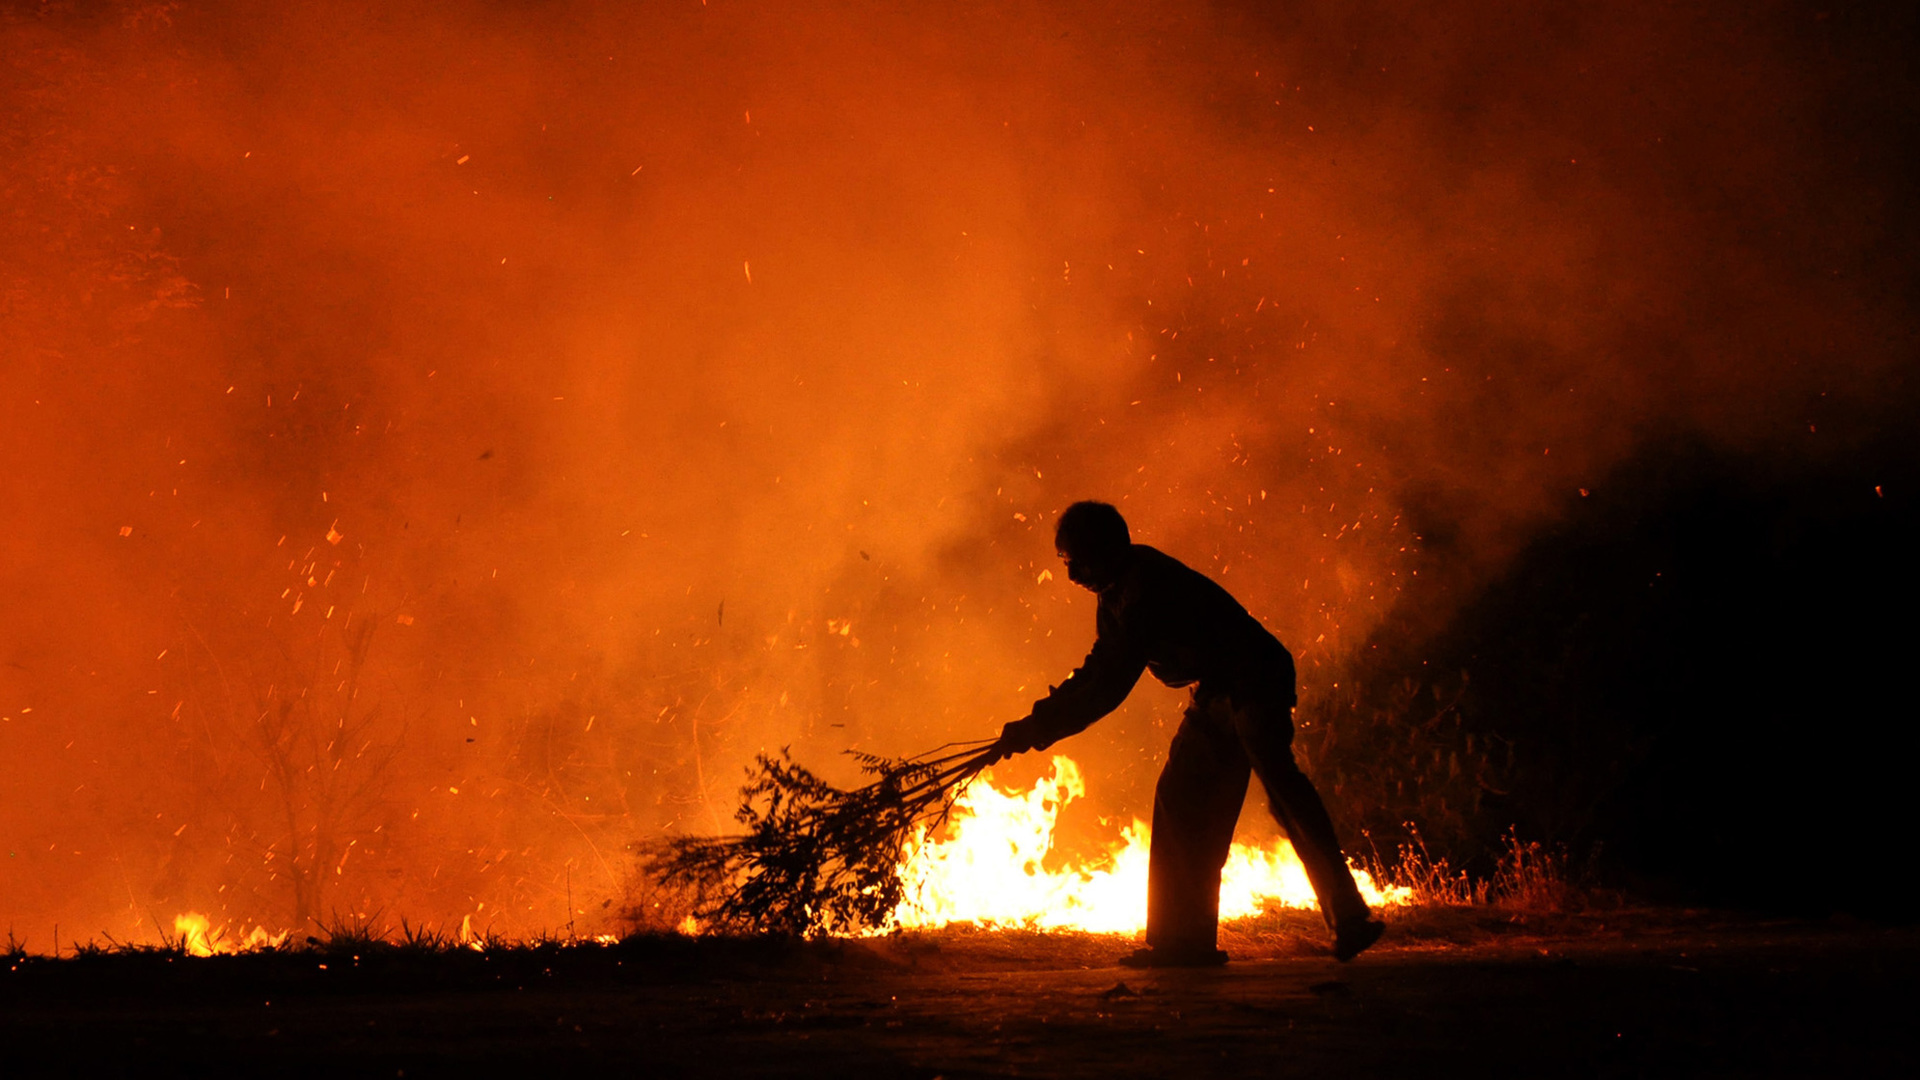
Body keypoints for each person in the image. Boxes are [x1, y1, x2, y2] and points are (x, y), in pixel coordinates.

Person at [992, 501, 1385, 966]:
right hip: (1217, 688)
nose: (1072, 573)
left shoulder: (1144, 587)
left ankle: (1349, 918)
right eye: (1065, 562)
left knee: (1283, 791)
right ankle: (1184, 942)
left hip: (1253, 677)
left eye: (1077, 559)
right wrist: (1037, 725)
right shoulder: (1116, 587)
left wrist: (1037, 727)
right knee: (1180, 799)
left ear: (1107, 548)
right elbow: (1102, 665)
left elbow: (1108, 683)